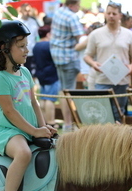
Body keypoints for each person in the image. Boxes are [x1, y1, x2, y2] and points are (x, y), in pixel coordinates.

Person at [0, 20, 57, 191]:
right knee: (24, 153)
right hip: (6, 131)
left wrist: (42, 126)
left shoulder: (24, 72)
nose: (27, 50)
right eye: (21, 46)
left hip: (27, 128)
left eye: (27, 45)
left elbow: (33, 102)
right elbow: (9, 112)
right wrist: (34, 133)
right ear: (4, 48)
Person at [84, 2, 132, 121]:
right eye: (108, 13)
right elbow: (87, 56)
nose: (111, 16)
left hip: (122, 81)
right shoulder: (95, 34)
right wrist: (93, 63)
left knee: (119, 114)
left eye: (114, 13)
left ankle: (116, 139)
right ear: (105, 14)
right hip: (102, 79)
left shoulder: (129, 35)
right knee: (102, 113)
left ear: (120, 15)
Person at [50, 0, 84, 132]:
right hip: (68, 57)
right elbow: (80, 39)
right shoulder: (71, 16)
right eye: (78, 5)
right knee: (69, 91)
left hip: (57, 56)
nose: (79, 7)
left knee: (63, 90)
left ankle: (67, 123)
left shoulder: (58, 11)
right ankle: (69, 124)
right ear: (72, 5)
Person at [33, 25, 60, 129]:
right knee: (50, 98)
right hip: (51, 74)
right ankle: (51, 121)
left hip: (41, 73)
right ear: (48, 34)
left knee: (43, 98)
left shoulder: (36, 46)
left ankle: (44, 121)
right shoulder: (49, 45)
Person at [19, 3, 40, 75]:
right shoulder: (18, 22)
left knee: (33, 73)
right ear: (21, 10)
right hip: (22, 52)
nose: (27, 12)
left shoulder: (34, 21)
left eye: (29, 10)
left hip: (33, 52)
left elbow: (37, 36)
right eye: (25, 10)